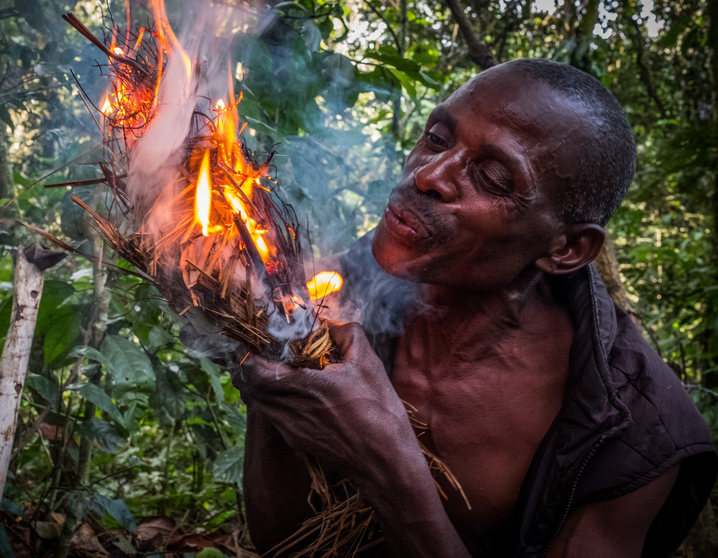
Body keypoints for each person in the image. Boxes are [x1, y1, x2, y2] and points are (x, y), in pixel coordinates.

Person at [231, 59, 718, 558]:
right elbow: (285, 543)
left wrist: (387, 467)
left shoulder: (636, 428)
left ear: (566, 248)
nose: (429, 175)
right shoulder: (331, 293)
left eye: (491, 177)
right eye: (438, 138)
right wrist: (273, 362)